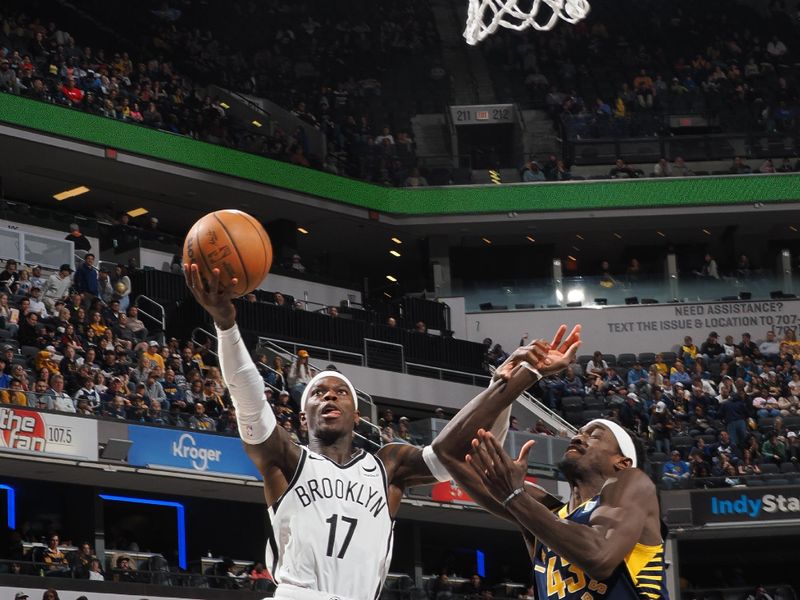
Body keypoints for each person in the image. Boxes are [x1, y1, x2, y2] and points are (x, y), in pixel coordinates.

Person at [183, 262, 575, 600]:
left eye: (340, 392)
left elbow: (457, 447)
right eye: (318, 392)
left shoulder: (388, 467)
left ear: (358, 416)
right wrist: (226, 325)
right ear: (304, 418)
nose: (329, 396)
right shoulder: (287, 461)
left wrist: (506, 386)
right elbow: (247, 399)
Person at [433, 338, 667, 600]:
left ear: (622, 463)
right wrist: (512, 382)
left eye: (595, 435)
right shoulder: (543, 510)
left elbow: (600, 557)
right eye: (579, 432)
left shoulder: (635, 484)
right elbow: (448, 452)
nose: (578, 438)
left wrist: (515, 497)